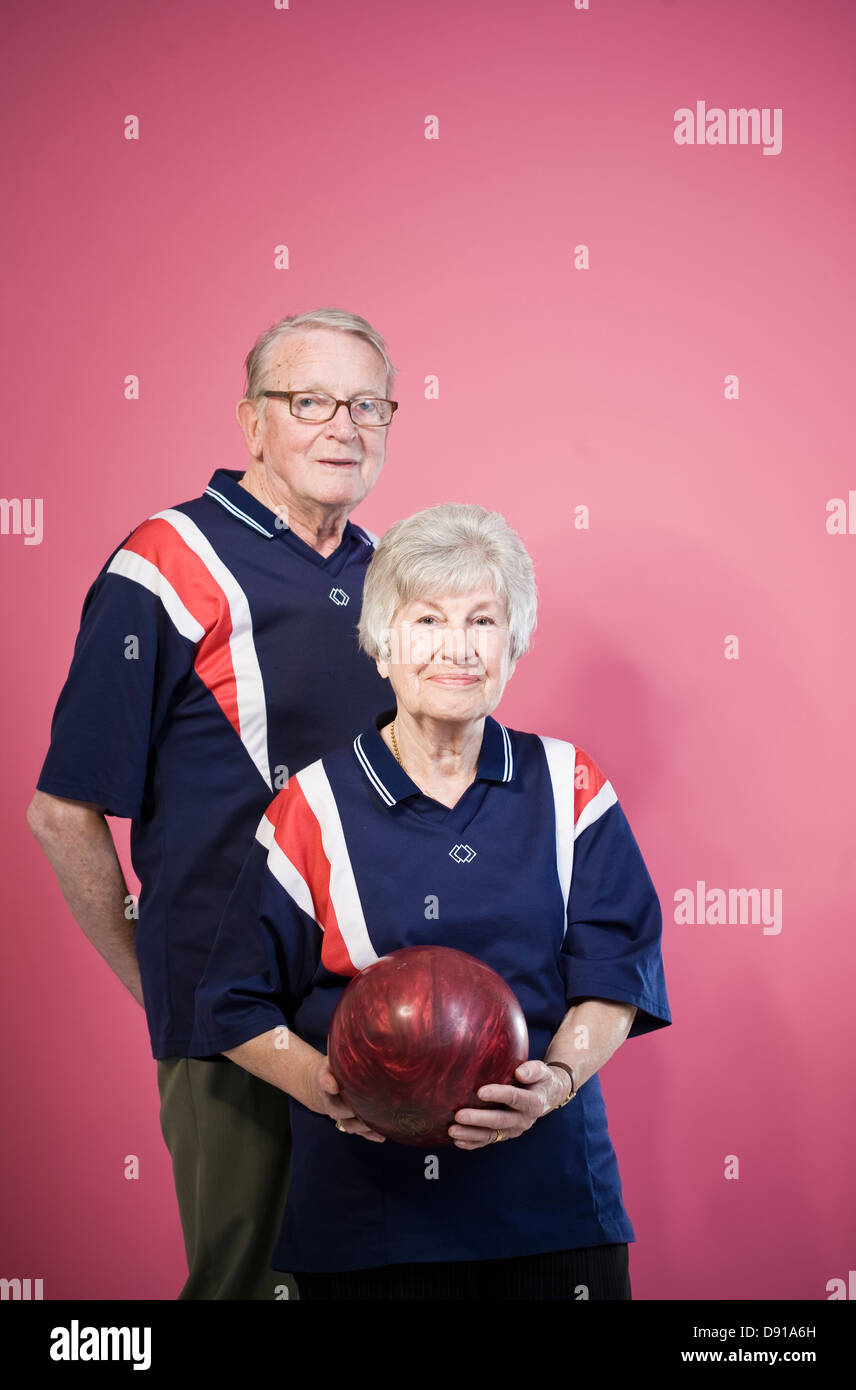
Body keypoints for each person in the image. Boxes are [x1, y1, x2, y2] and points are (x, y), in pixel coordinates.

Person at [193, 502, 672, 1301]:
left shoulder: (571, 785)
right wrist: (328, 1091)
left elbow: (615, 974)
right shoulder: (311, 806)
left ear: (513, 645)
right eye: (427, 621)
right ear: (382, 645)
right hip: (367, 1224)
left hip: (553, 1209)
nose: (457, 647)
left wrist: (555, 1081)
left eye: (483, 620)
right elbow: (234, 1002)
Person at [25, 308, 399, 1299]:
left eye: (368, 405)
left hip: (381, 1006)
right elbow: (61, 811)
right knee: (252, 1284)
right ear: (251, 422)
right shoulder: (166, 561)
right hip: (237, 1015)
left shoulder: (389, 575)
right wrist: (168, 988)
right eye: (310, 401)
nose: (344, 427)